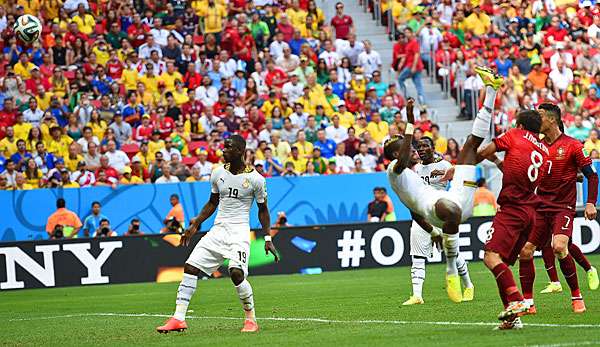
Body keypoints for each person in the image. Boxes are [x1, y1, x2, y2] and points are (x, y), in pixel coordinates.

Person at [385, 66, 501, 305]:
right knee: (444, 215)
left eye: (423, 147)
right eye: (413, 148)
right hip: (437, 211)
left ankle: (491, 89)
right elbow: (414, 210)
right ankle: (432, 284)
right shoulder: (395, 170)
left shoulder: (422, 170)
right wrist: (409, 122)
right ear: (397, 154)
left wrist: (490, 153)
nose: (418, 151)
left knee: (470, 144)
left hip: (455, 201)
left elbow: (462, 163)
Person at [156, 135, 279, 333]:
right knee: (190, 267)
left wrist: (267, 238)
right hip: (218, 230)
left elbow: (263, 210)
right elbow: (212, 202)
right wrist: (195, 224)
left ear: (240, 151)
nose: (223, 151)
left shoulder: (256, 179)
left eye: (228, 148)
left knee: (236, 273)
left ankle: (251, 320)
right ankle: (178, 318)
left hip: (239, 232)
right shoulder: (217, 173)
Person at [515, 103, 599, 317]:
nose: (536, 120)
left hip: (563, 208)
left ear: (552, 119)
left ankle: (577, 297)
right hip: (539, 208)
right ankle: (528, 303)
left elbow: (592, 175)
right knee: (525, 251)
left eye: (540, 116)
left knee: (559, 247)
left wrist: (590, 202)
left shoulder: (572, 145)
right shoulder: (537, 147)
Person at [402, 137, 473, 306]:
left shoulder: (444, 165)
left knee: (452, 253)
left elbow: (463, 180)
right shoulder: (416, 169)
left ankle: (469, 285)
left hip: (440, 214)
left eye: (425, 146)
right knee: (417, 256)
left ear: (433, 148)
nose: (421, 149)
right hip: (421, 215)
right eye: (418, 147)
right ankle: (417, 295)